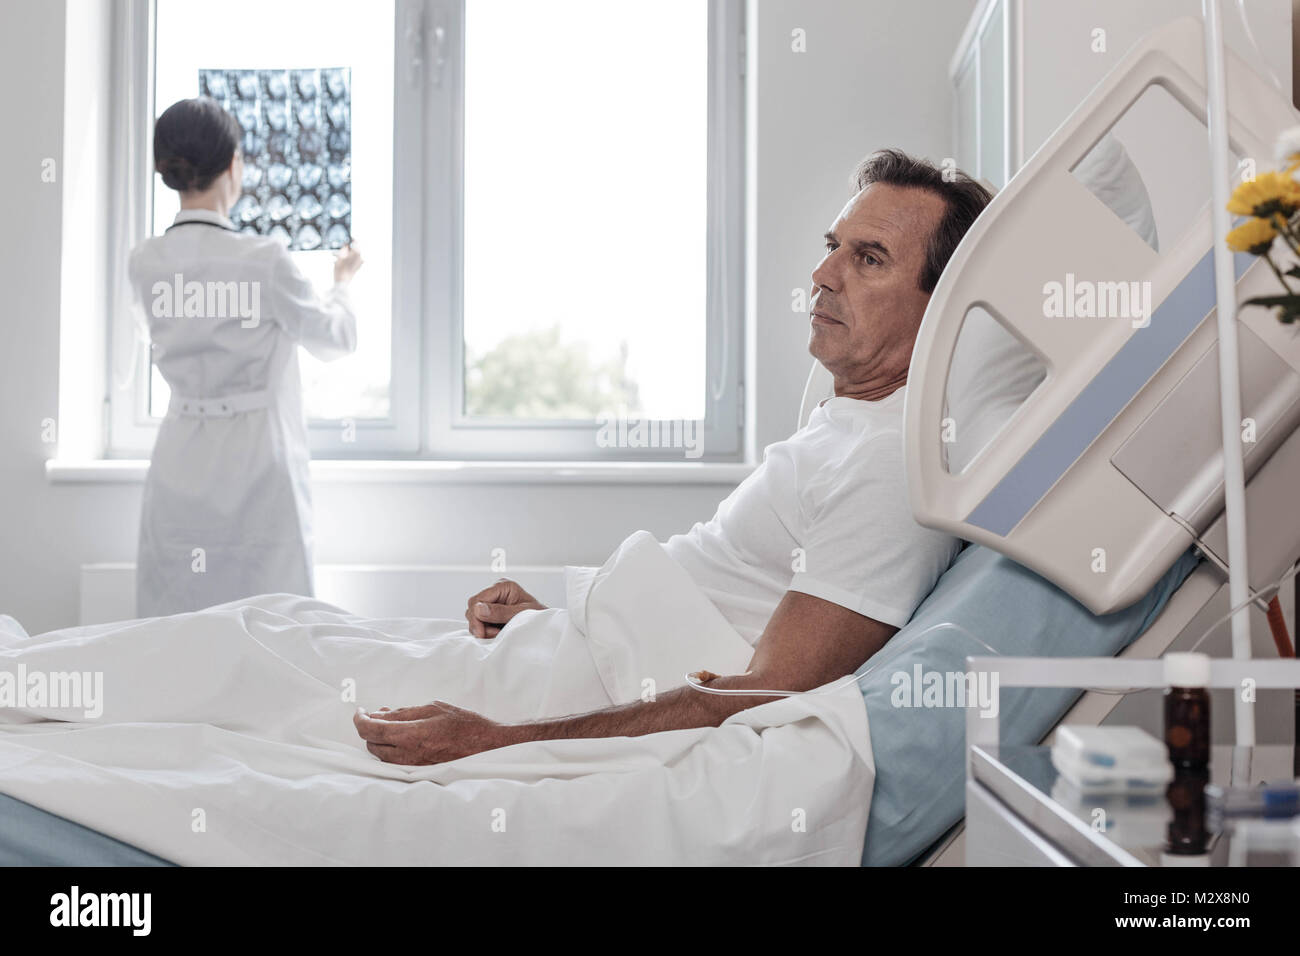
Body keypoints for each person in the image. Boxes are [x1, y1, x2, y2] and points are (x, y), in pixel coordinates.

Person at [354, 149, 994, 765]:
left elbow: (768, 694)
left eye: (870, 258)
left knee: (270, 657)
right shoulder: (847, 426)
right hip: (571, 664)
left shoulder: (888, 463)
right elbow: (726, 602)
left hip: (557, 700)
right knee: (277, 641)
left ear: (944, 309)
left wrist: (491, 743)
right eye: (833, 247)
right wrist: (562, 622)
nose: (823, 276)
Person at [130, 97, 363, 617]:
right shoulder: (265, 261)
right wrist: (342, 284)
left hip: (178, 463)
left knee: (178, 622)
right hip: (257, 464)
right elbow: (336, 339)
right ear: (234, 166)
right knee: (272, 626)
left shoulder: (143, 261)